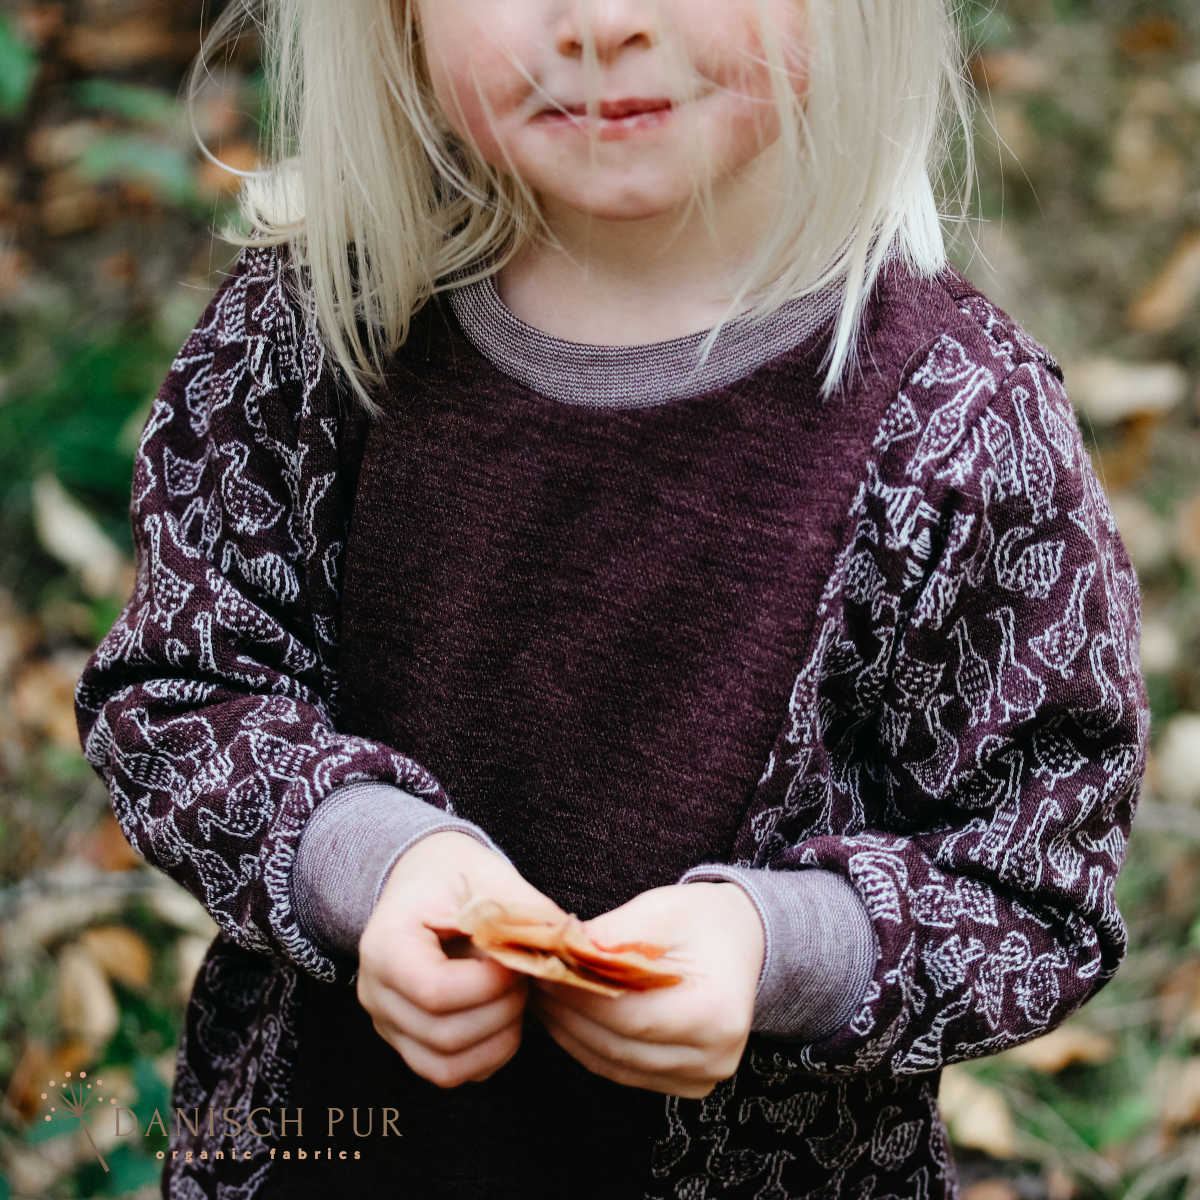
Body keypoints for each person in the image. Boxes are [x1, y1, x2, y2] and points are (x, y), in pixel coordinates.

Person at [73, 0, 1150, 1197]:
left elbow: (1033, 881)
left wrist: (781, 948)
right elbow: (179, 690)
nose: (603, 21)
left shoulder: (960, 428)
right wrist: (366, 860)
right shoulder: (321, 327)